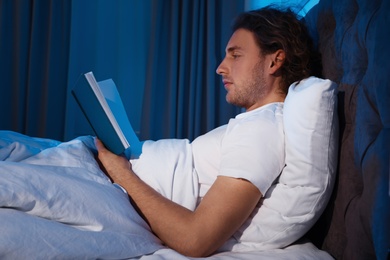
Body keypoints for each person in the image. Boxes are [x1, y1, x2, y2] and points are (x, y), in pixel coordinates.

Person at [96, 6, 317, 258]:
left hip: (114, 184)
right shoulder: (252, 123)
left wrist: (120, 172)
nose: (220, 68)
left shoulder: (261, 131)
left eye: (235, 55)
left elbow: (196, 238)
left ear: (274, 60)